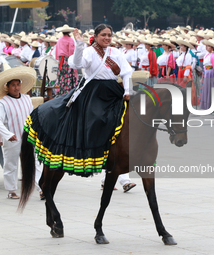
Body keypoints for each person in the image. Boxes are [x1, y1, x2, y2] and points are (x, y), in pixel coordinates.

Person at [22, 24, 132, 177]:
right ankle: (93, 154)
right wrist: (79, 45)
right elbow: (76, 64)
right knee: (98, 118)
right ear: (96, 36)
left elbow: (127, 72)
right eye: (103, 35)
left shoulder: (116, 52)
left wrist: (127, 90)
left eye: (109, 35)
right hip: (93, 92)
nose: (107, 38)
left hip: (113, 90)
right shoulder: (89, 51)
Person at [0, 67, 43, 199]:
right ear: (7, 87)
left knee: (35, 163)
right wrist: (8, 135)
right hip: (12, 139)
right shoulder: (3, 103)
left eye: (18, 84)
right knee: (11, 164)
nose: (16, 87)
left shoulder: (26, 99)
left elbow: (32, 116)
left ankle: (42, 188)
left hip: (28, 137)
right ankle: (11, 190)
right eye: (13, 85)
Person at [54, 25, 78, 96]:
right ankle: (69, 90)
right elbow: (72, 51)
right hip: (68, 59)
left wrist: (58, 59)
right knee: (69, 75)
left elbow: (57, 51)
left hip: (61, 60)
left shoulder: (59, 40)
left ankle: (61, 91)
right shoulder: (70, 40)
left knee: (62, 75)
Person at [200, 39, 214, 110]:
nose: (207, 47)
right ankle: (206, 105)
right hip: (207, 72)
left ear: (212, 48)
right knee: (207, 88)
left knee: (212, 89)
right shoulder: (206, 55)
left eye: (208, 46)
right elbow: (204, 65)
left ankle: (212, 105)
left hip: (211, 73)